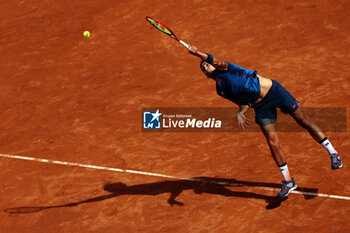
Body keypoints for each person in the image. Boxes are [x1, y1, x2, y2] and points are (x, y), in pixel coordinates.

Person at [188, 45, 343, 197]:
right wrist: (240, 113)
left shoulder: (226, 68)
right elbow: (243, 103)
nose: (206, 67)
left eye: (207, 64)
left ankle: (333, 153)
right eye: (203, 68)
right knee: (272, 141)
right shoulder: (220, 90)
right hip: (260, 106)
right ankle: (288, 181)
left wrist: (197, 54)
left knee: (303, 120)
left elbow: (215, 60)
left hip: (274, 91)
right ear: (205, 75)